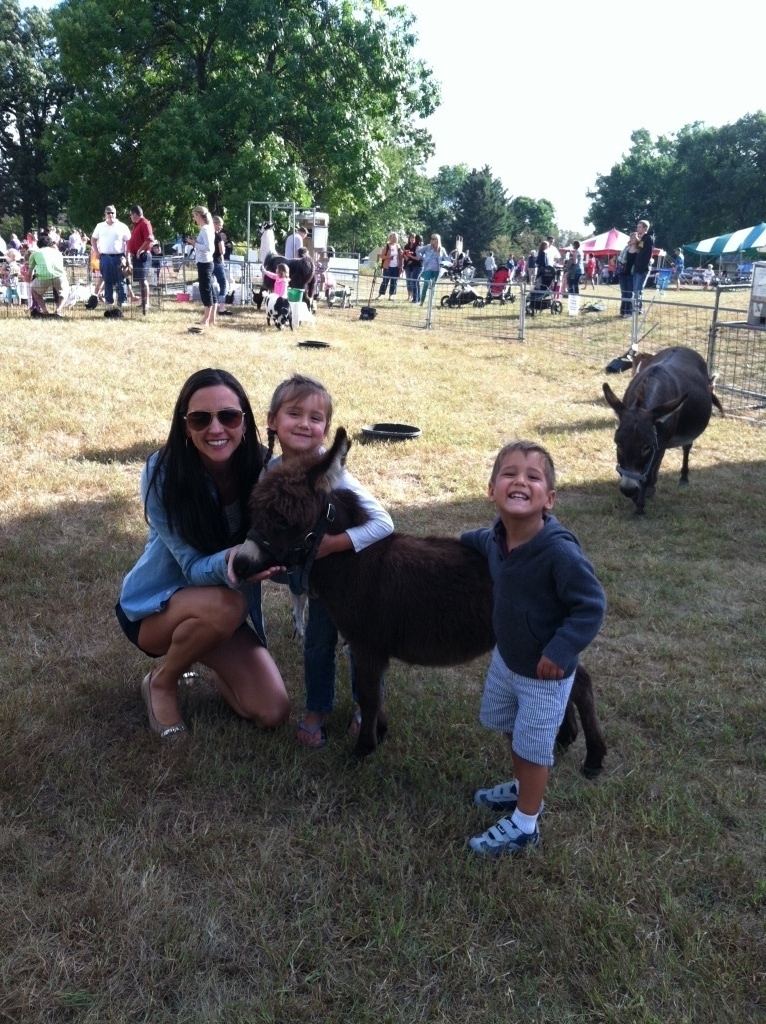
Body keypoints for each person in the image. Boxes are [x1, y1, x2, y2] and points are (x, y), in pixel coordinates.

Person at [116, 368, 290, 738]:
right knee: (228, 606)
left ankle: (205, 646)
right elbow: (193, 568)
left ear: (244, 420)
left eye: (228, 416)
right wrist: (232, 560)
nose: (215, 429)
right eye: (200, 419)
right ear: (185, 426)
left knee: (271, 710)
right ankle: (163, 680)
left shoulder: (262, 470)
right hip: (156, 610)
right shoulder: (162, 473)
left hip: (223, 613)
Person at [461, 441, 606, 856]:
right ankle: (524, 786)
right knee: (512, 730)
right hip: (507, 661)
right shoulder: (496, 540)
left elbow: (591, 605)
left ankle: (526, 822)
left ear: (550, 499)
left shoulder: (558, 552)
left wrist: (560, 651)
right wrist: (452, 542)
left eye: (533, 476)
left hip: (546, 675)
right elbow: (476, 540)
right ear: (492, 490)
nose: (520, 480)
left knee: (534, 746)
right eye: (509, 473)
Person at [264, 374, 394, 748]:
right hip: (314, 583)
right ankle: (317, 710)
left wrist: (334, 544)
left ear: (325, 429)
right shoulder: (270, 470)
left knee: (358, 643)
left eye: (316, 418)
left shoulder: (334, 474)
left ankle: (365, 706)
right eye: (294, 413)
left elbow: (384, 523)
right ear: (272, 420)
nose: (305, 423)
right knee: (318, 644)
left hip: (350, 580)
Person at [91, 205, 131, 308]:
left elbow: (128, 242)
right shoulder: (99, 226)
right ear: (105, 214)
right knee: (107, 280)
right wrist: (96, 251)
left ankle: (123, 301)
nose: (111, 215)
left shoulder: (122, 226)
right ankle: (109, 301)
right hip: (105, 257)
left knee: (121, 280)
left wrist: (127, 257)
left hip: (119, 257)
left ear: (116, 213)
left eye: (113, 212)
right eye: (108, 213)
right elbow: (93, 239)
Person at [187, 205, 217, 331]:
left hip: (205, 263)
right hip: (207, 262)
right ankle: (211, 319)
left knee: (205, 289)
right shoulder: (208, 228)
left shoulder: (205, 229)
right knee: (209, 288)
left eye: (194, 216)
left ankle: (205, 319)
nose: (194, 219)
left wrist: (194, 244)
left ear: (199, 216)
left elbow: (209, 248)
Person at [28, 232, 69, 316]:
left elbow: (30, 272)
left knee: (34, 290)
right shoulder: (58, 252)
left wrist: (29, 281)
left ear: (38, 244)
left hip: (43, 277)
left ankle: (44, 310)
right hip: (59, 276)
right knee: (65, 293)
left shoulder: (34, 254)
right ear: (50, 243)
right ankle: (58, 310)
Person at [126, 204, 155, 312]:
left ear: (135, 214)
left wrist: (140, 249)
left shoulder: (145, 223)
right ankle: (143, 302)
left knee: (143, 280)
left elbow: (149, 239)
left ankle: (146, 303)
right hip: (136, 256)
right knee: (140, 280)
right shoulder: (136, 225)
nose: (130, 217)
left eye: (131, 214)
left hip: (143, 256)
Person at [417, 233, 448, 306]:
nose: (431, 240)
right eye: (431, 238)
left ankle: (430, 302)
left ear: (437, 240)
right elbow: (418, 251)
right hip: (427, 269)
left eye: (433, 239)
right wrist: (422, 258)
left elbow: (447, 258)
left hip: (436, 270)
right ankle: (421, 301)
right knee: (425, 285)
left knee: (433, 286)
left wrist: (452, 254)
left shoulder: (441, 249)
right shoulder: (427, 247)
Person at [632, 220, 654, 312]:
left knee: (638, 289)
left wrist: (642, 267)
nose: (637, 228)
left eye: (640, 227)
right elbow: (638, 252)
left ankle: (638, 309)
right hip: (637, 268)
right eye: (637, 227)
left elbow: (648, 254)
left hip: (642, 269)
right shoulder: (641, 239)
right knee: (635, 290)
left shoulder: (648, 238)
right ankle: (636, 308)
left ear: (645, 228)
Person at [378, 232, 403, 299]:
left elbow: (401, 257)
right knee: (385, 280)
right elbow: (381, 256)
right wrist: (388, 257)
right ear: (390, 238)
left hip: (396, 267)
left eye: (396, 237)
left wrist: (401, 266)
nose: (394, 239)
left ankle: (391, 295)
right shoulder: (387, 246)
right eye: (393, 237)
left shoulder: (398, 246)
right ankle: (381, 294)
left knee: (394, 281)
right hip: (387, 266)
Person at [212, 215, 228, 304]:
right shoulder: (218, 236)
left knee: (209, 284)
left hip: (208, 262)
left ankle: (212, 303)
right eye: (220, 225)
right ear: (215, 224)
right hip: (217, 262)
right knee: (223, 283)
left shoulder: (207, 234)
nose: (221, 227)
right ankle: (222, 306)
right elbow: (222, 251)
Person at [402, 232, 423, 302]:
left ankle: (415, 298)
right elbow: (404, 254)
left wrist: (410, 257)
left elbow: (418, 258)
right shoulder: (406, 246)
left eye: (413, 238)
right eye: (411, 237)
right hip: (408, 265)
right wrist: (406, 257)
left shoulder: (417, 246)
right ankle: (415, 298)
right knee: (411, 281)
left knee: (414, 281)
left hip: (416, 265)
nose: (412, 239)